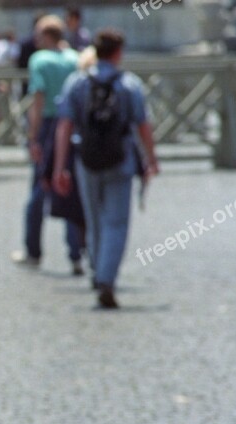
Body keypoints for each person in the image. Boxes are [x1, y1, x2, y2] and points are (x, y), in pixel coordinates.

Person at [53, 29, 159, 308]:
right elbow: (142, 125)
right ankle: (107, 277)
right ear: (118, 52)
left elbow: (64, 125)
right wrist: (151, 158)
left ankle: (96, 270)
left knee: (93, 217)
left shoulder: (76, 82)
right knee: (116, 221)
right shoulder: (129, 84)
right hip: (120, 159)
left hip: (85, 159)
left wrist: (59, 166)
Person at [11, 15, 84, 275]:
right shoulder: (75, 58)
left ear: (44, 36)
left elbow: (38, 100)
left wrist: (33, 137)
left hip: (48, 125)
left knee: (38, 190)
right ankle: (76, 255)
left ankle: (33, 251)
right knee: (69, 187)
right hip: (72, 124)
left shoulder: (39, 59)